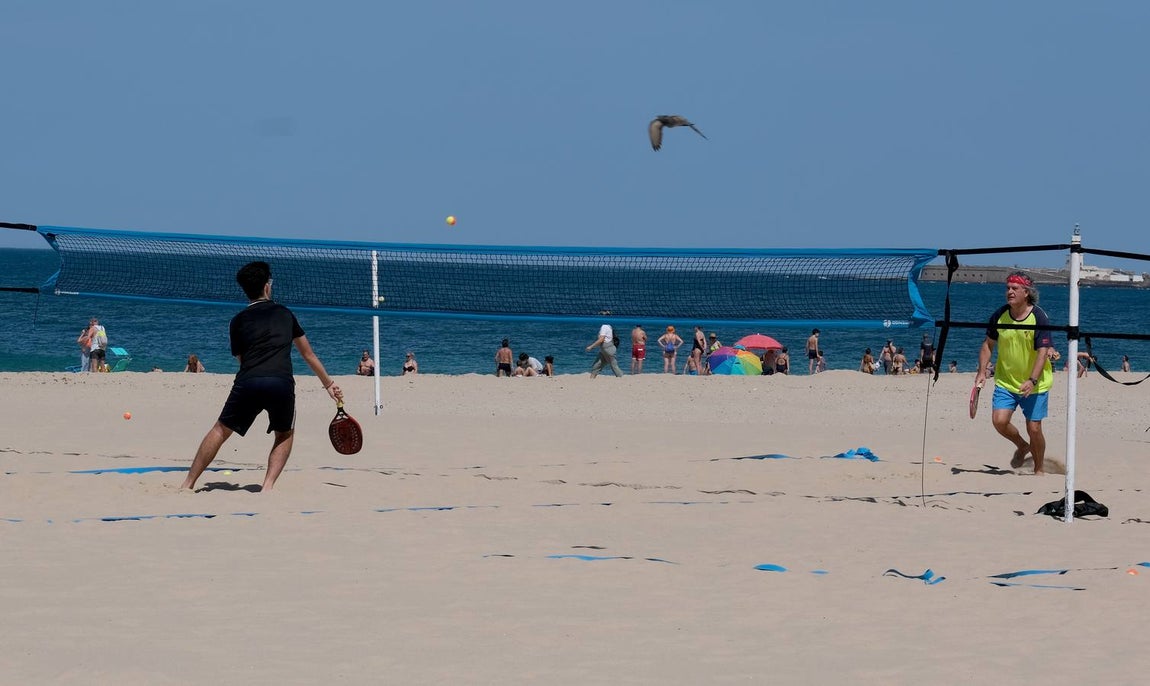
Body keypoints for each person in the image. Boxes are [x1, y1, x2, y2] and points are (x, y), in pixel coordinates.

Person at [180, 261, 342, 493]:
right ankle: (267, 487)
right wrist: (329, 384)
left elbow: (242, 360)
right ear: (267, 286)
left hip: (249, 380)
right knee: (284, 434)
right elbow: (308, 354)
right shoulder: (285, 314)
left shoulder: (237, 321)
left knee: (220, 430)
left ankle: (187, 484)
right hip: (281, 382)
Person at [975, 271, 1055, 475]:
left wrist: (1032, 380)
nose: (1009, 292)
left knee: (1035, 428)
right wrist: (982, 372)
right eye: (1007, 288)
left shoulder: (1038, 316)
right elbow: (988, 344)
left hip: (1036, 383)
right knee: (999, 421)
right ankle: (1022, 445)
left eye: (1014, 288)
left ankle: (1039, 469)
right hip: (1006, 380)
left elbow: (1043, 352)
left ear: (1026, 292)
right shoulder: (999, 315)